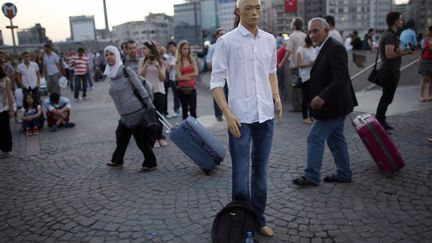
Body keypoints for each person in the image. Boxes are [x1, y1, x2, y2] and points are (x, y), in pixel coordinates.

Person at [210, 0, 282, 237]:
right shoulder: (226, 42)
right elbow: (216, 83)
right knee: (241, 173)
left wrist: (277, 96)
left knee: (260, 171)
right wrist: (227, 113)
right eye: (248, 7)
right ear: (238, 11)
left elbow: (271, 71)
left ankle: (258, 219)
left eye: (257, 7)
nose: (254, 12)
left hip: (265, 116)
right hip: (239, 117)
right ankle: (241, 224)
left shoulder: (270, 40)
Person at [292, 17, 358, 187]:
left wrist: (323, 96)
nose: (312, 35)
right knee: (336, 139)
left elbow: (341, 77)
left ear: (326, 31)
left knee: (315, 137)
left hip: (334, 105)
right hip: (335, 105)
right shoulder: (324, 47)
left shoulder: (335, 48)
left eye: (316, 31)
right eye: (310, 31)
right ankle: (344, 173)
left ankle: (312, 176)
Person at [104, 45, 158, 172]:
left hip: (137, 112)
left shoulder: (126, 70)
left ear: (116, 55)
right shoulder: (110, 75)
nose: (108, 57)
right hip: (124, 115)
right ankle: (117, 160)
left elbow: (140, 87)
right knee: (121, 137)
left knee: (141, 141)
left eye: (111, 54)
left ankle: (151, 162)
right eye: (106, 55)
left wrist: (150, 105)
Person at [376, 11, 415, 130]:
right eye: (401, 19)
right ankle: (379, 121)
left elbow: (395, 52)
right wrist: (403, 52)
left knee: (387, 97)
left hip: (392, 70)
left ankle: (381, 120)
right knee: (386, 97)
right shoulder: (389, 36)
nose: (402, 22)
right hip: (389, 71)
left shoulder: (392, 35)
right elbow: (389, 55)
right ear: (395, 21)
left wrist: (407, 51)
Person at [138, 40, 168, 148]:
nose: (142, 50)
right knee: (150, 116)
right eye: (142, 49)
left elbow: (163, 78)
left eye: (144, 48)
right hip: (147, 92)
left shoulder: (161, 61)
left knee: (159, 115)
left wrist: (157, 66)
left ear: (151, 49)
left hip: (159, 91)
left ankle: (160, 137)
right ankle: (153, 138)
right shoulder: (142, 61)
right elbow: (140, 76)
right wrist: (146, 65)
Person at [280, 17, 306, 112]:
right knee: (303, 86)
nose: (291, 25)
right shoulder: (304, 35)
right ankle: (304, 105)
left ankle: (297, 107)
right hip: (304, 65)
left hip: (295, 64)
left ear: (294, 25)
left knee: (295, 86)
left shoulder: (293, 36)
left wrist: (282, 62)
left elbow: (288, 51)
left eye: (291, 23)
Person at [206, 28, 228, 121]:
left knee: (229, 94)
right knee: (218, 93)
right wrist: (216, 69)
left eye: (224, 34)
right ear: (216, 36)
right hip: (218, 74)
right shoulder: (212, 47)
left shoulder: (229, 46)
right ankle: (218, 114)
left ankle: (229, 113)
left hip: (229, 75)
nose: (223, 36)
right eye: (221, 34)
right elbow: (208, 61)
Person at [295, 35, 316, 125]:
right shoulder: (300, 50)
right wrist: (309, 64)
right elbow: (298, 64)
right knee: (306, 97)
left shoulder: (312, 49)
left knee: (312, 96)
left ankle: (311, 115)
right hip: (305, 77)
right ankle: (305, 116)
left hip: (313, 76)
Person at [175, 40, 199, 120]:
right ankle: (186, 131)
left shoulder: (191, 60)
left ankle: (195, 130)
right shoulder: (178, 62)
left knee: (193, 112)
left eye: (188, 49)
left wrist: (184, 76)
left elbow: (196, 72)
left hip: (192, 88)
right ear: (180, 49)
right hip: (182, 89)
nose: (186, 50)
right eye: (184, 49)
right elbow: (179, 77)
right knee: (184, 112)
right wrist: (190, 77)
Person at [0, 65, 14, 159]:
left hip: (4, 108)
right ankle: (1, 149)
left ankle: (7, 149)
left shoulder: (5, 79)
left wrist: (11, 109)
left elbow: (9, 95)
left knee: (6, 129)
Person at [165, 41, 181, 118]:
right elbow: (166, 69)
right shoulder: (169, 57)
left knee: (182, 94)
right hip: (172, 78)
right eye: (169, 47)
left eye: (172, 46)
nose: (171, 48)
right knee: (175, 95)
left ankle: (183, 108)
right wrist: (170, 66)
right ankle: (176, 110)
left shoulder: (179, 55)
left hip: (180, 78)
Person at [418, 25, 432, 102]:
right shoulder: (424, 40)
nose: (426, 32)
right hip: (425, 61)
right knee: (424, 79)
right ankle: (421, 96)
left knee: (431, 80)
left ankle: (430, 95)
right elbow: (422, 51)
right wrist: (420, 60)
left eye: (428, 30)